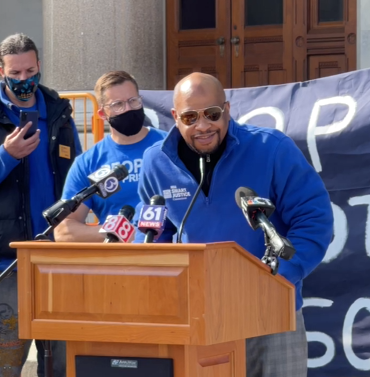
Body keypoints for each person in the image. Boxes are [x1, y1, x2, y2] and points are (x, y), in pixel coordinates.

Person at [134, 72, 334, 377]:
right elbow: (152, 233)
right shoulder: (155, 163)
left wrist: (279, 277)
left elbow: (314, 219)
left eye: (212, 114)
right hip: (200, 316)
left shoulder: (272, 148)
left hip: (272, 314)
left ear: (227, 110)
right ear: (175, 117)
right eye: (190, 117)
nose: (202, 126)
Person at [0, 33, 82, 377]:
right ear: (1, 71)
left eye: (30, 71)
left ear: (39, 66)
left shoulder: (59, 111)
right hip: (8, 265)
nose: (24, 80)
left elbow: (79, 175)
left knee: (63, 366)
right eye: (15, 73)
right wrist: (6, 156)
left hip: (56, 260)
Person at [54, 70, 167, 242]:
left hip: (173, 256)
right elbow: (64, 231)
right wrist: (120, 232)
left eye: (132, 101)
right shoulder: (88, 162)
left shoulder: (170, 145)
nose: (128, 109)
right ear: (102, 114)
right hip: (118, 262)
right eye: (118, 105)